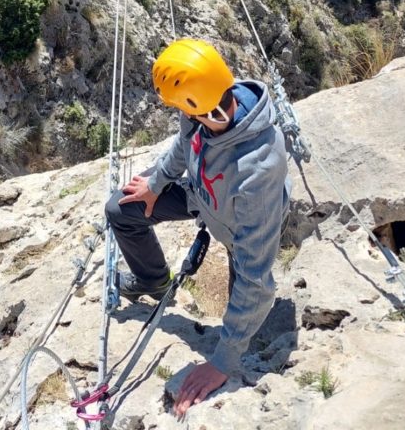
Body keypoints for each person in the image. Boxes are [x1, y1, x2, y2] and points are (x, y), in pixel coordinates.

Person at [105, 39, 290, 417]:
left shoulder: (258, 169)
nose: (181, 115)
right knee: (122, 209)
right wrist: (156, 184)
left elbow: (257, 277)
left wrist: (222, 362)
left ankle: (235, 350)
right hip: (203, 194)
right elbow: (184, 144)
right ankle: (154, 281)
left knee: (245, 318)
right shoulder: (208, 103)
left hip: (239, 225)